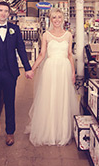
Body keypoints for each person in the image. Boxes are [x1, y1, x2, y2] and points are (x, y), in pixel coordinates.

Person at [0, 1, 33, 146]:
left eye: (6, 11)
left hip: (10, 72)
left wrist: (28, 68)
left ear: (9, 14)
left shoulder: (15, 29)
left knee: (10, 102)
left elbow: (21, 49)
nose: (3, 13)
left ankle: (10, 133)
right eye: (0, 10)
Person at [26, 8, 79, 146]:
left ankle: (61, 131)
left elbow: (69, 54)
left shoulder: (68, 35)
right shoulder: (46, 35)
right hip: (50, 69)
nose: (57, 20)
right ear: (51, 19)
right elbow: (42, 54)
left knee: (62, 98)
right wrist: (32, 69)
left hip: (64, 68)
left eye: (59, 17)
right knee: (49, 97)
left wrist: (73, 72)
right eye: (54, 17)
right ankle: (49, 130)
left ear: (63, 19)